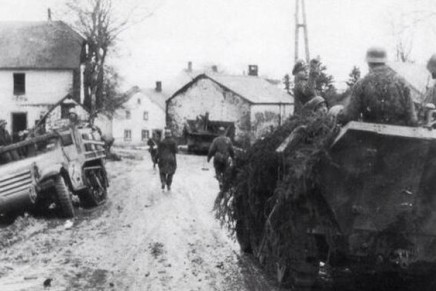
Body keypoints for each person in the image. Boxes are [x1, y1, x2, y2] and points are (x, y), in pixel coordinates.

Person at [338, 46, 418, 127]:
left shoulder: (362, 84)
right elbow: (412, 119)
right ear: (385, 61)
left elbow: (349, 116)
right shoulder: (402, 83)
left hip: (371, 136)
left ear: (368, 63)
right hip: (399, 137)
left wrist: (338, 115)